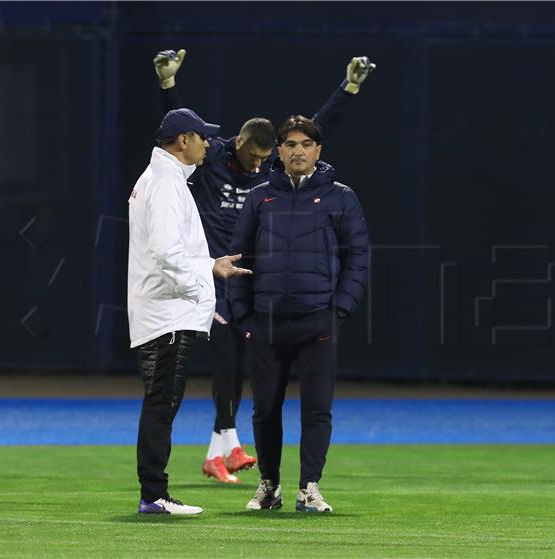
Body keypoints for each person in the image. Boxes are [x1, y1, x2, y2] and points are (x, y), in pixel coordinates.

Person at [153, 48, 375, 484]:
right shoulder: (211, 156)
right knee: (225, 356)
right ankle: (227, 442)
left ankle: (222, 446)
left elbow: (312, 133)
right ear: (238, 144)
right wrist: (167, 87)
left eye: (265, 160)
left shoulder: (273, 168)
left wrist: (347, 89)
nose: (261, 167)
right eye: (256, 159)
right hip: (212, 274)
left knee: (238, 362)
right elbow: (181, 134)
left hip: (255, 280)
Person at [229, 116, 369, 512]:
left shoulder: (341, 197)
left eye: (306, 143)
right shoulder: (260, 197)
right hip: (267, 322)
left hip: (316, 321)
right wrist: (243, 315)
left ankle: (309, 487)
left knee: (316, 409)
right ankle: (269, 485)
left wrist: (339, 308)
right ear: (278, 150)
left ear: (318, 150)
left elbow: (357, 256)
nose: (298, 151)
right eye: (290, 144)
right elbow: (238, 257)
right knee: (266, 410)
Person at [128, 108, 252, 515]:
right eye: (202, 137)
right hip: (167, 312)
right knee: (162, 402)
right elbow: (166, 253)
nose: (207, 144)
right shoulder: (164, 183)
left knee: (161, 402)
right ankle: (155, 495)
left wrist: (208, 268)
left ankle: (154, 493)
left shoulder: (165, 179)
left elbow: (172, 251)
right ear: (183, 140)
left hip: (166, 309)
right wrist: (200, 287)